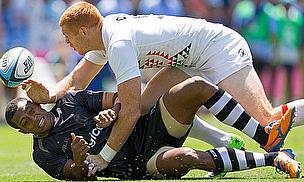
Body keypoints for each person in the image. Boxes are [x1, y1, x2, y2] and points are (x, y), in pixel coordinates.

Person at [21, 1, 303, 171]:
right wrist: (48, 94)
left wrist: (104, 157)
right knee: (146, 106)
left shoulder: (117, 43)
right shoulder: (102, 38)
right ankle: (224, 141)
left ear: (84, 31)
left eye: (69, 38)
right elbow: (75, 80)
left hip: (219, 47)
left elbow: (128, 112)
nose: (67, 44)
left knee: (268, 120)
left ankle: (261, 139)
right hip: (188, 61)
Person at [7, 77, 302, 180]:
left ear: (36, 105)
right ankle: (274, 159)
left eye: (31, 111)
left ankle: (266, 137)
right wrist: (80, 159)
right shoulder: (42, 152)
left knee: (196, 86)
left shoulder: (71, 101)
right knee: (187, 157)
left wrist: (113, 112)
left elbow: (121, 100)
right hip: (140, 163)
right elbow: (79, 175)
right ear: (23, 131)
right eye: (26, 122)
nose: (33, 118)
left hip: (148, 126)